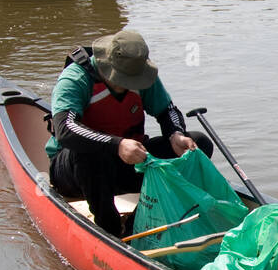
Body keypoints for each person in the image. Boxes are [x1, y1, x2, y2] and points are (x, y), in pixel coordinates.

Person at [46, 29, 213, 237]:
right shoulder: (75, 78)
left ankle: (139, 220)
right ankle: (110, 229)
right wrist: (117, 145)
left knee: (198, 143)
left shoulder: (140, 74)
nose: (131, 85)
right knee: (90, 154)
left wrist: (175, 134)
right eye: (124, 79)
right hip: (77, 174)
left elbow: (168, 110)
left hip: (128, 165)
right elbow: (65, 129)